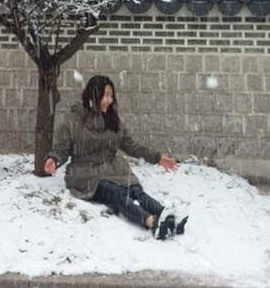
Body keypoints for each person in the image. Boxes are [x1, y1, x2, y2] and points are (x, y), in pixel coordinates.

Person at [44, 75, 187, 240]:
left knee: (135, 190)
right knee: (117, 194)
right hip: (85, 173)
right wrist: (53, 159)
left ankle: (165, 215)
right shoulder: (74, 120)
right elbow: (62, 148)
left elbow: (131, 146)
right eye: (105, 95)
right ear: (93, 95)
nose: (109, 100)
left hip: (112, 168)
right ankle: (151, 222)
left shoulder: (113, 121)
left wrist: (157, 158)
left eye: (111, 96)